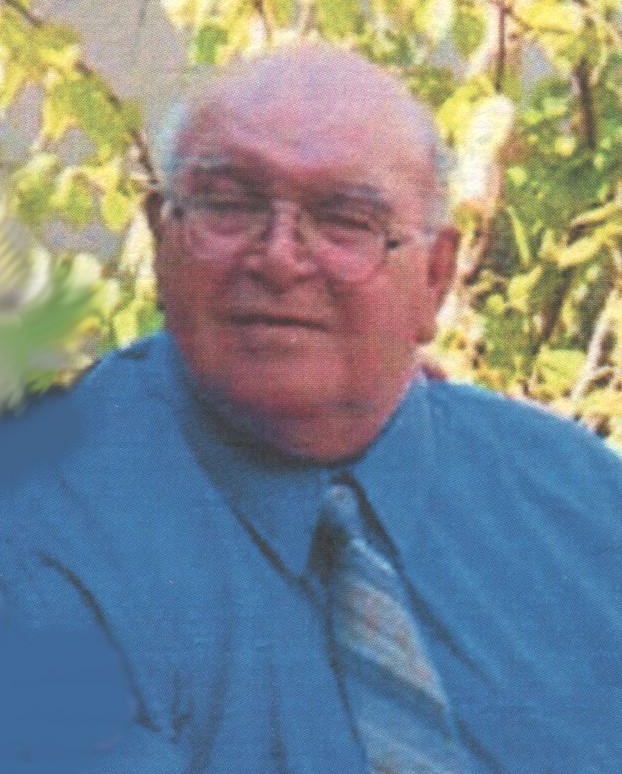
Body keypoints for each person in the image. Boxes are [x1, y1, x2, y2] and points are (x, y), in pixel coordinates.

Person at [1, 44, 621, 774]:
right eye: (229, 207)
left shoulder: (583, 505)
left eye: (346, 221)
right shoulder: (37, 537)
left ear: (436, 276)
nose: (279, 257)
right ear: (162, 238)